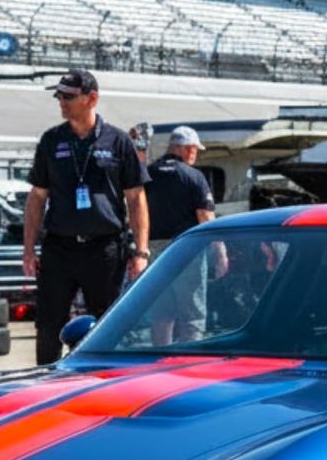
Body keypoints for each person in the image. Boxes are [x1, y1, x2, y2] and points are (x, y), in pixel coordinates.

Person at [22, 69, 150, 365]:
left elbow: (136, 198)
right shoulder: (51, 141)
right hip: (59, 247)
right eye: (59, 96)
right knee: (49, 323)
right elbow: (37, 197)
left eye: (68, 97)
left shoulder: (118, 141)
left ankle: (103, 380)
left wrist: (141, 252)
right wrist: (29, 249)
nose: (62, 103)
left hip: (104, 248)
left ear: (92, 99)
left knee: (106, 323)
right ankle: (45, 380)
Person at [144, 125, 220, 345]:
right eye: (194, 149)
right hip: (188, 248)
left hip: (155, 250)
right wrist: (220, 249)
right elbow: (205, 214)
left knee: (161, 311)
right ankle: (190, 360)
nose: (195, 154)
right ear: (185, 149)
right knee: (193, 312)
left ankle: (159, 356)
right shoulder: (194, 176)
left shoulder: (148, 173)